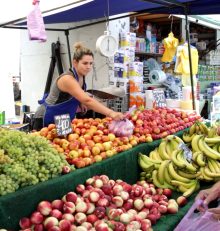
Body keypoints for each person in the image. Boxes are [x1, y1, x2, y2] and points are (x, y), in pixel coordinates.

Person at [33, 42, 124, 130]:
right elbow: (87, 100)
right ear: (75, 63)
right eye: (85, 63)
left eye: (91, 63)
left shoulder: (81, 77)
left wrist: (80, 102)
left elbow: (76, 94)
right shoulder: (67, 79)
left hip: (63, 118)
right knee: (47, 144)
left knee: (62, 144)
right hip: (46, 117)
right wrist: (111, 113)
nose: (88, 67)